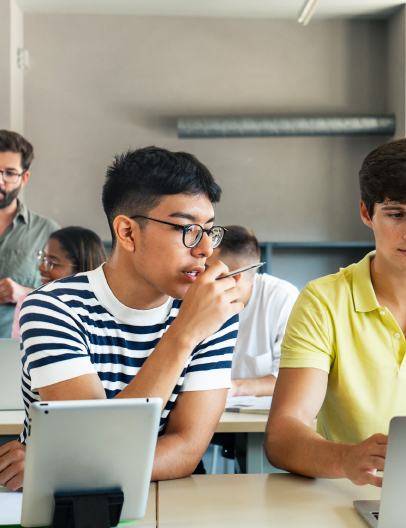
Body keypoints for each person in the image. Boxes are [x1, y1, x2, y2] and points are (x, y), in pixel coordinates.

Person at [0, 146, 242, 491]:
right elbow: (98, 439)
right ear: (127, 232)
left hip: (165, 503)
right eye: (187, 229)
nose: (204, 249)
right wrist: (185, 333)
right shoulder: (52, 307)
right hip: (63, 510)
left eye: (209, 230)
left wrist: (61, 466)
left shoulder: (213, 312)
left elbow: (186, 449)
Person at [265, 136, 406, 487]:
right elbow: (282, 436)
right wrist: (347, 458)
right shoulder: (323, 301)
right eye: (396, 214)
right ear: (366, 213)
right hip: (348, 496)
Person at [210, 225, 299, 397]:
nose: (199, 276)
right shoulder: (192, 300)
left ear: (234, 277)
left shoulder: (282, 298)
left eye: (208, 269)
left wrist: (233, 388)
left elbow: (294, 379)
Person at [0, 130, 60, 338]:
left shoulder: (49, 232)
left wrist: (23, 293)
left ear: (24, 178)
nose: (0, 180)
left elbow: (65, 297)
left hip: (20, 353)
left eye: (9, 173)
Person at [11, 226, 107, 338]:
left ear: (81, 269)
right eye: (43, 258)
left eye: (51, 262)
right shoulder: (28, 304)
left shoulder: (106, 310)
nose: (41, 267)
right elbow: (17, 351)